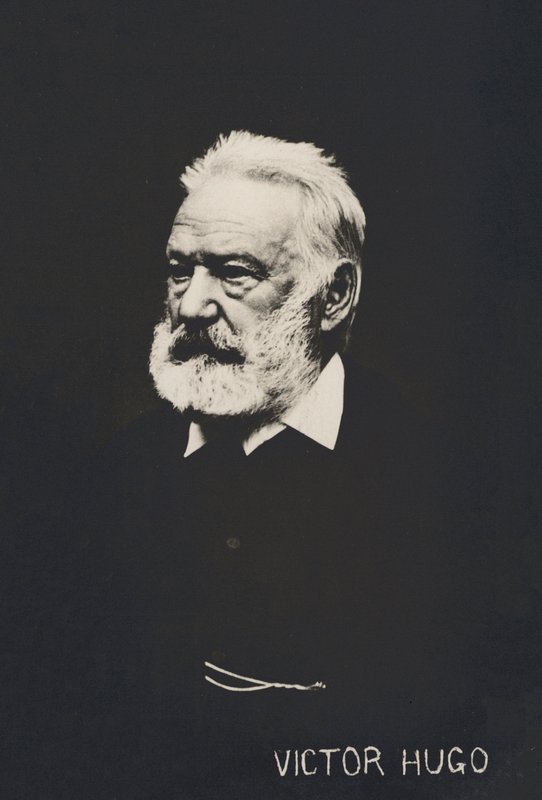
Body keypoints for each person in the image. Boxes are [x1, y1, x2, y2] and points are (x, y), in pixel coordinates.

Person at [77, 132, 488, 800]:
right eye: (180, 269)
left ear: (335, 296)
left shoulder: (449, 490)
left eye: (235, 273)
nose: (190, 305)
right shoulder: (110, 477)